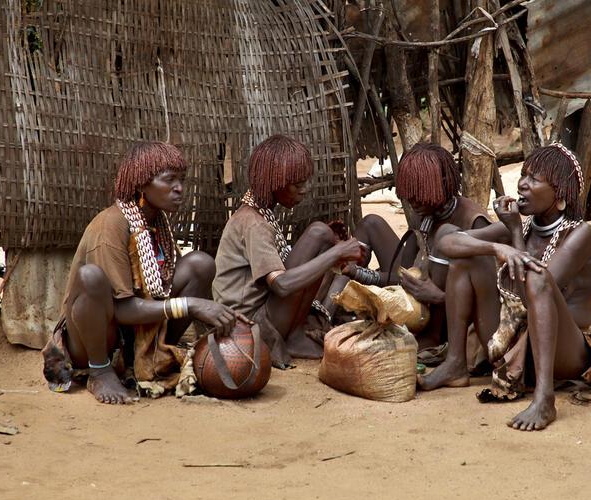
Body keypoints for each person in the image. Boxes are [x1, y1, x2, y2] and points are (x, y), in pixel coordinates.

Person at [418, 143, 591, 431]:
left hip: (564, 355)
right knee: (466, 259)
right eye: (524, 175)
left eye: (534, 179)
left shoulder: (580, 234)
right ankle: (455, 363)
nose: (522, 184)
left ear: (560, 196)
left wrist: (514, 234)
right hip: (517, 343)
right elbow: (446, 241)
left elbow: (533, 293)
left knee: (539, 277)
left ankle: (544, 397)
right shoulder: (523, 226)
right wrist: (495, 247)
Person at [42, 141, 237, 405]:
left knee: (200, 264)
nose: (179, 188)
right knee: (91, 277)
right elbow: (122, 309)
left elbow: (161, 286)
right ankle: (100, 370)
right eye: (169, 180)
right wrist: (190, 305)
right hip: (97, 338)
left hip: (136, 333)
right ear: (141, 184)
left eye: (181, 180)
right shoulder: (110, 226)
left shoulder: (156, 223)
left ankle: (156, 355)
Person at [213, 135, 364, 367]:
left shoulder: (260, 213)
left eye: (305, 182)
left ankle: (294, 335)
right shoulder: (253, 223)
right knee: (317, 235)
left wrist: (329, 245)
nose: (305, 190)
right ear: (274, 184)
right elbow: (281, 285)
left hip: (264, 312)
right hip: (248, 324)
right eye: (297, 185)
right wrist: (335, 253)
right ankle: (288, 337)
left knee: (320, 233)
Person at [340, 142, 491, 350]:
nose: (412, 199)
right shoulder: (424, 213)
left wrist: (439, 298)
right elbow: (404, 279)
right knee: (371, 223)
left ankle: (432, 340)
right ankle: (331, 314)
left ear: (444, 183)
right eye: (409, 190)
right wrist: (359, 274)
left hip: (452, 318)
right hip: (418, 302)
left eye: (420, 190)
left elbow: (488, 300)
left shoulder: (474, 222)